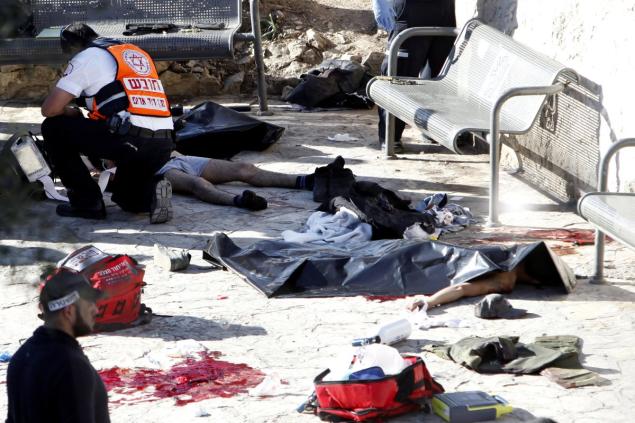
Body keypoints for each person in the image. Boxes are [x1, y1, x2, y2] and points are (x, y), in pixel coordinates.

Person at [41, 23, 174, 223]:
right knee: (128, 200)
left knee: (54, 127)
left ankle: (87, 203)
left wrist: (72, 112)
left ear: (72, 47)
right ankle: (151, 192)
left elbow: (49, 109)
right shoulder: (134, 53)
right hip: (163, 143)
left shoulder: (87, 57)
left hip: (129, 137)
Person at [6, 270, 110, 423]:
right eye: (89, 303)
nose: (96, 309)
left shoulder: (21, 357)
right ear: (69, 310)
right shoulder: (71, 366)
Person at [377, 0, 456, 152]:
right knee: (400, 75)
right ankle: (390, 136)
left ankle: (432, 128)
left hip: (445, 9)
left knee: (440, 74)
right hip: (410, 10)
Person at [154, 153, 315, 210]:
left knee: (245, 168)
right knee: (198, 183)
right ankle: (240, 201)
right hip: (159, 168)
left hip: (178, 157)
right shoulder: (127, 111)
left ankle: (306, 181)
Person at [408, 263, 540, 310]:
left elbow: (461, 289)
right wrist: (429, 302)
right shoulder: (504, 280)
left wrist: (429, 302)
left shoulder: (505, 279)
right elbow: (461, 289)